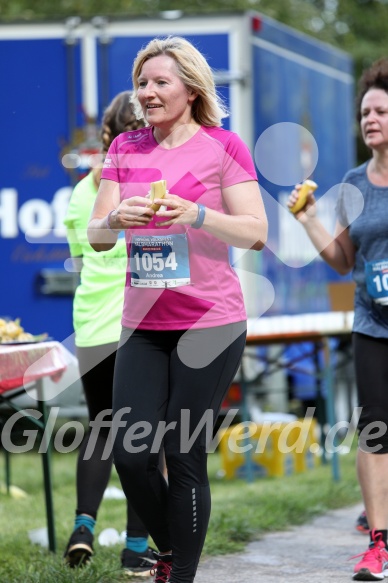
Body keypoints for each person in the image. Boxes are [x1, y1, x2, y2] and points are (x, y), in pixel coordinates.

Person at [87, 36, 268, 583]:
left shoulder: (222, 146)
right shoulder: (124, 149)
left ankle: (180, 574)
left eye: (159, 82)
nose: (147, 93)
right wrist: (117, 221)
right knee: (130, 453)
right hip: (142, 325)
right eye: (142, 83)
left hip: (209, 325)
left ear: (190, 89)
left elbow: (256, 233)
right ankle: (171, 550)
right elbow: (96, 236)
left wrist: (197, 215)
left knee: (183, 456)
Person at [287, 57, 388, 581]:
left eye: (381, 111)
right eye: (365, 112)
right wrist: (308, 219)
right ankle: (378, 542)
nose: (370, 119)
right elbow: (345, 258)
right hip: (373, 322)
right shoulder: (353, 180)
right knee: (374, 430)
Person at [63, 91, 157, 577]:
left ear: (106, 132)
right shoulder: (146, 183)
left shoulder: (82, 192)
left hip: (91, 324)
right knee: (145, 436)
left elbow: (83, 259)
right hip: (139, 322)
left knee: (101, 428)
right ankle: (136, 548)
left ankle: (82, 528)